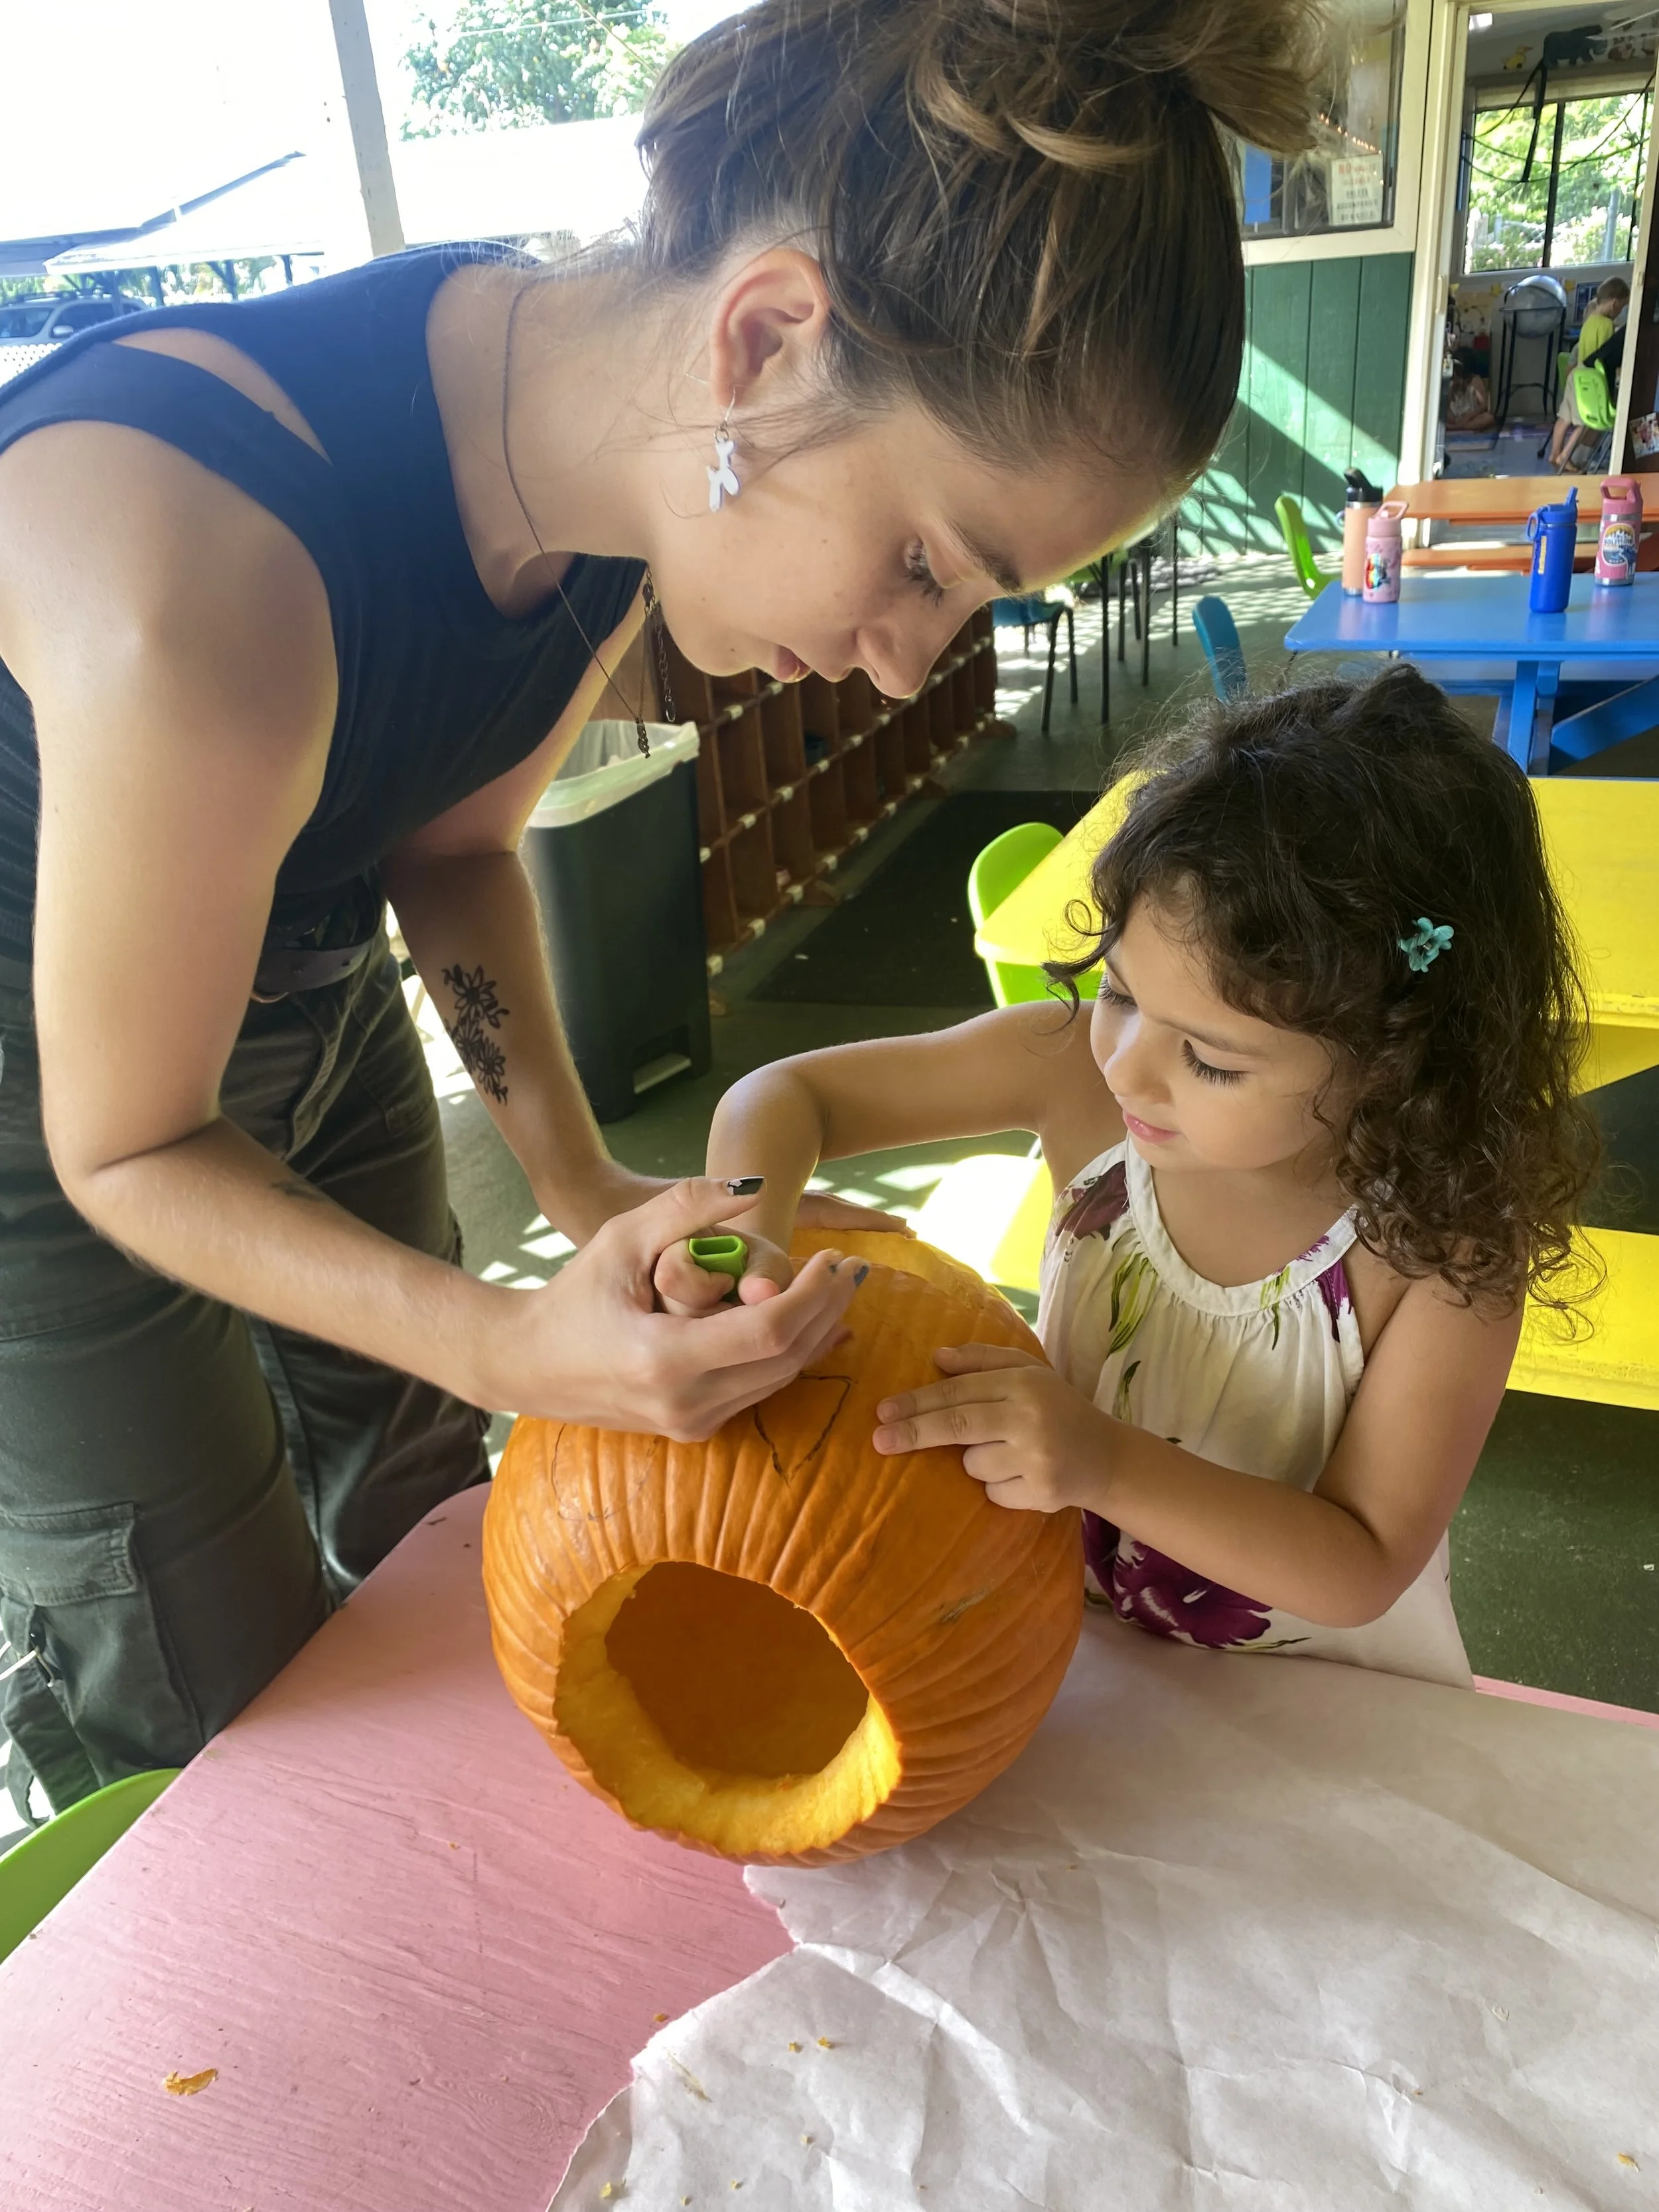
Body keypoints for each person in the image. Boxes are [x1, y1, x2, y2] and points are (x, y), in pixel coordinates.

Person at [0, 0, 1333, 1812]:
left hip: (303, 977)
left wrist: (578, 1190)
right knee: (197, 1643)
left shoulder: (590, 461)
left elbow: (454, 850)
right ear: (765, 336)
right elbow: (131, 1141)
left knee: (422, 1500)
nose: (901, 666)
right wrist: (503, 1334)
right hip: (50, 1112)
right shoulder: (194, 589)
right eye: (925, 559)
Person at [662, 668, 1599, 1687]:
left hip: (1319, 1708)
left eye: (1210, 1060)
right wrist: (747, 1229)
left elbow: (1362, 1561)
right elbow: (784, 1094)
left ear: (1391, 1061)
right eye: (1117, 991)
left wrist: (1104, 1461)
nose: (1125, 1066)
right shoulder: (1073, 1073)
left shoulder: (1442, 1250)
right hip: (1070, 1655)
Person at [1548, 275, 1629, 469]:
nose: (1620, 312)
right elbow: (1603, 355)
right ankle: (1565, 457)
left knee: (1564, 418)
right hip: (1592, 379)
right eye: (1622, 307)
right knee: (1585, 421)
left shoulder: (1590, 321)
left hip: (1577, 375)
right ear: (1614, 304)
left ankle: (1554, 454)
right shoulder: (1607, 325)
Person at [1443, 347, 1494, 434]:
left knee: (1488, 418)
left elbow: (1483, 405)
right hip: (1456, 414)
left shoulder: (1475, 381)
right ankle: (1458, 426)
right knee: (1444, 417)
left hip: (1471, 416)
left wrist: (1469, 416)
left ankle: (1457, 428)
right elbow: (1448, 403)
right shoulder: (1453, 381)